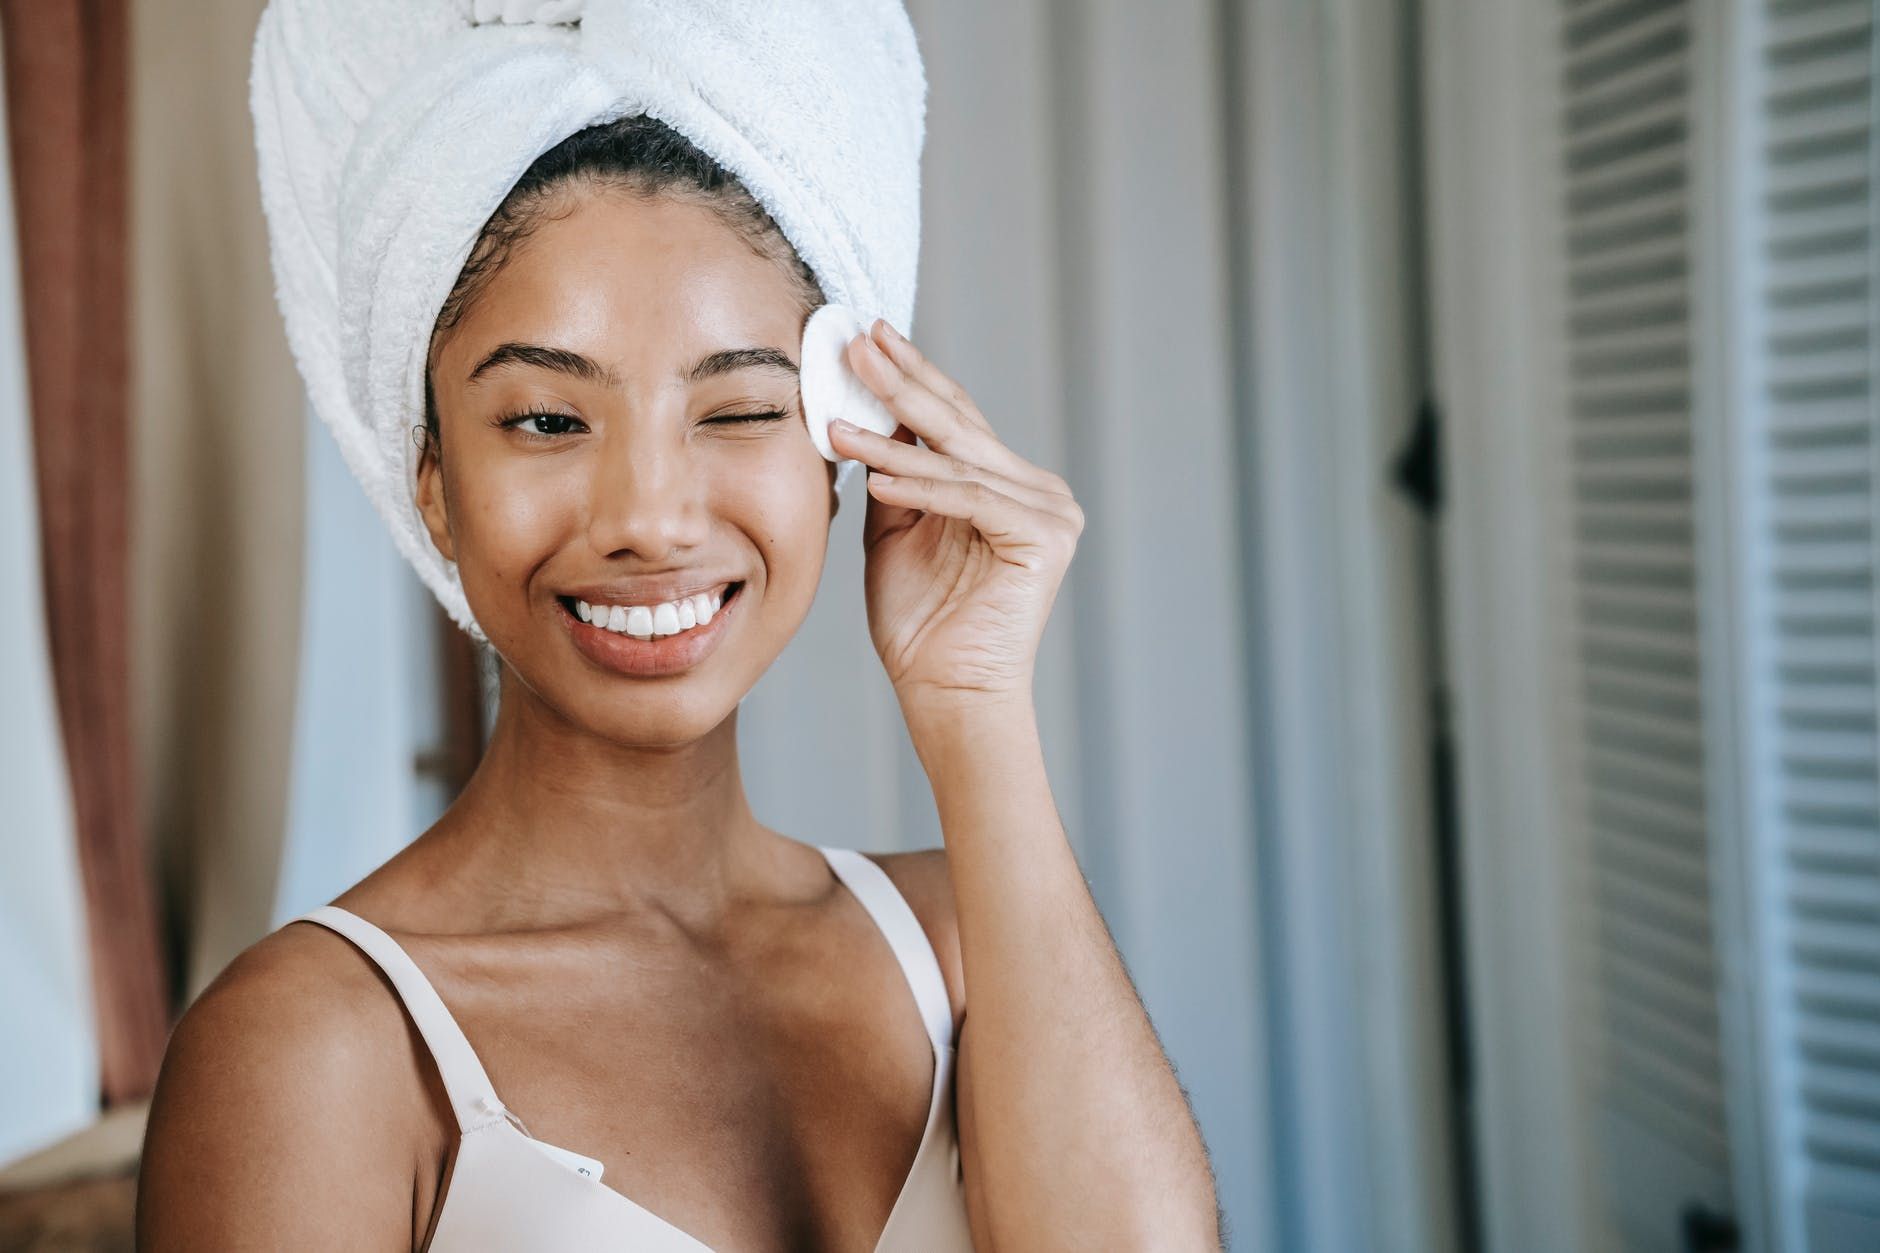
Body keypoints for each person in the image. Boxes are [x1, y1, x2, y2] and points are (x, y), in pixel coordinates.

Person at [136, 12, 1221, 1253]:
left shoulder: (961, 945)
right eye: (547, 419)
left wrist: (976, 709)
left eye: (740, 408)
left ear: (840, 454)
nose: (648, 518)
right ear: (431, 478)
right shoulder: (316, 1045)